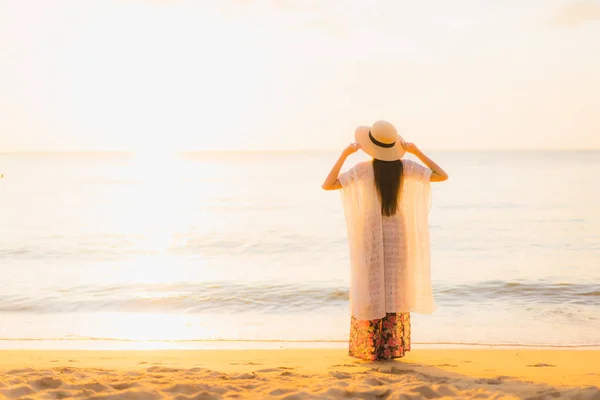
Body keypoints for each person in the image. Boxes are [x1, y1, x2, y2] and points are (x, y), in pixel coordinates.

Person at [321, 120, 448, 361]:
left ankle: (371, 347)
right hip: (397, 239)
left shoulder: (361, 169)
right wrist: (416, 151)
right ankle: (390, 348)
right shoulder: (406, 166)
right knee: (393, 290)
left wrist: (345, 154)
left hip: (369, 237)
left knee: (371, 289)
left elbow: (328, 184)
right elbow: (442, 175)